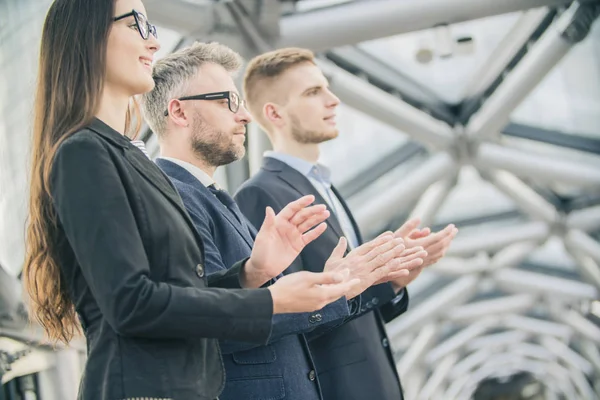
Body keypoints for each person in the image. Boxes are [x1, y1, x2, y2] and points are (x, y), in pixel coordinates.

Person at [22, 3, 359, 399]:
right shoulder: (84, 152)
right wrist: (269, 301)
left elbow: (181, 290)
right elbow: (132, 304)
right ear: (89, 35)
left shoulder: (129, 157)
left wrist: (251, 273)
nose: (154, 40)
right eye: (137, 24)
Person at [143, 41, 422, 400]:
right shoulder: (172, 199)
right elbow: (205, 322)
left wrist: (349, 285)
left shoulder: (214, 198)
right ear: (179, 113)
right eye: (226, 101)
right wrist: (335, 289)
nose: (244, 115)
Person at [236, 47, 459, 400]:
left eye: (327, 88)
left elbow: (349, 311)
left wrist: (391, 279)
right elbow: (288, 323)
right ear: (274, 113)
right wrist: (364, 281)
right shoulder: (260, 196)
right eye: (313, 92)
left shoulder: (325, 187)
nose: (333, 101)